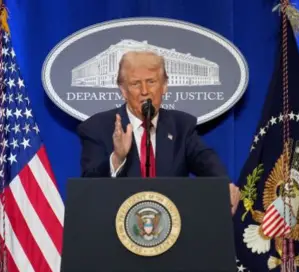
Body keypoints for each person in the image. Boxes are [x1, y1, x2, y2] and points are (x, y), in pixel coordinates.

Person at [77, 50, 240, 214]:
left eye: (151, 81)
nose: (144, 91)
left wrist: (224, 185)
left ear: (164, 87)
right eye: (135, 84)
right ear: (123, 91)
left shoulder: (181, 126)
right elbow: (88, 189)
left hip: (172, 228)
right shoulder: (98, 127)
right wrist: (117, 158)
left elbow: (206, 161)